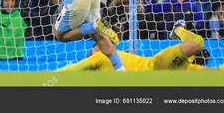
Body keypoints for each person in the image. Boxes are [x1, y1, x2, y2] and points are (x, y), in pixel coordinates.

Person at [57, 20, 206, 71]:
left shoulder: (104, 57)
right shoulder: (99, 58)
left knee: (197, 43)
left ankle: (177, 29)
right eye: (101, 44)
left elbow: (70, 70)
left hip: (155, 68)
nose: (106, 45)